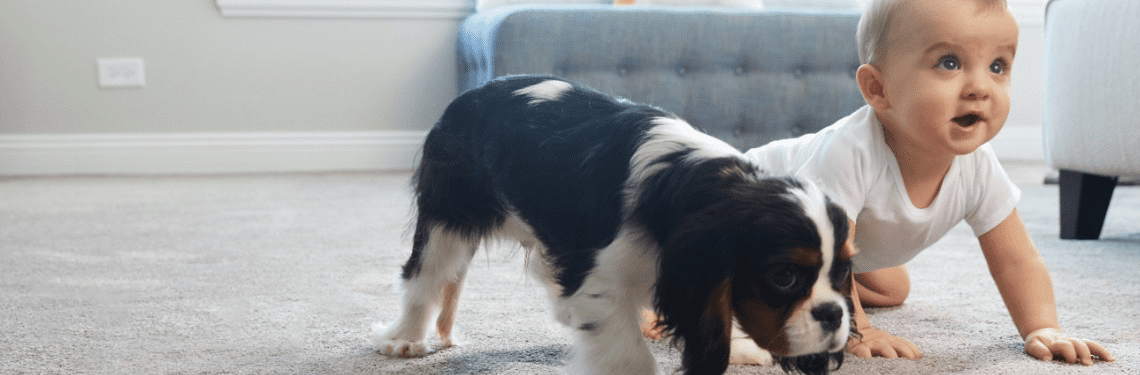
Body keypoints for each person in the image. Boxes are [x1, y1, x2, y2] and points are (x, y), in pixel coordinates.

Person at [741, 0, 1114, 365]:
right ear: (878, 89)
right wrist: (859, 331)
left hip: (836, 249)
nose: (980, 87)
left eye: (997, 66)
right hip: (749, 202)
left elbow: (1017, 260)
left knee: (893, 287)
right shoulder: (849, 151)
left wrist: (1044, 328)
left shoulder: (977, 167)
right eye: (949, 63)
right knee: (745, 276)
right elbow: (820, 247)